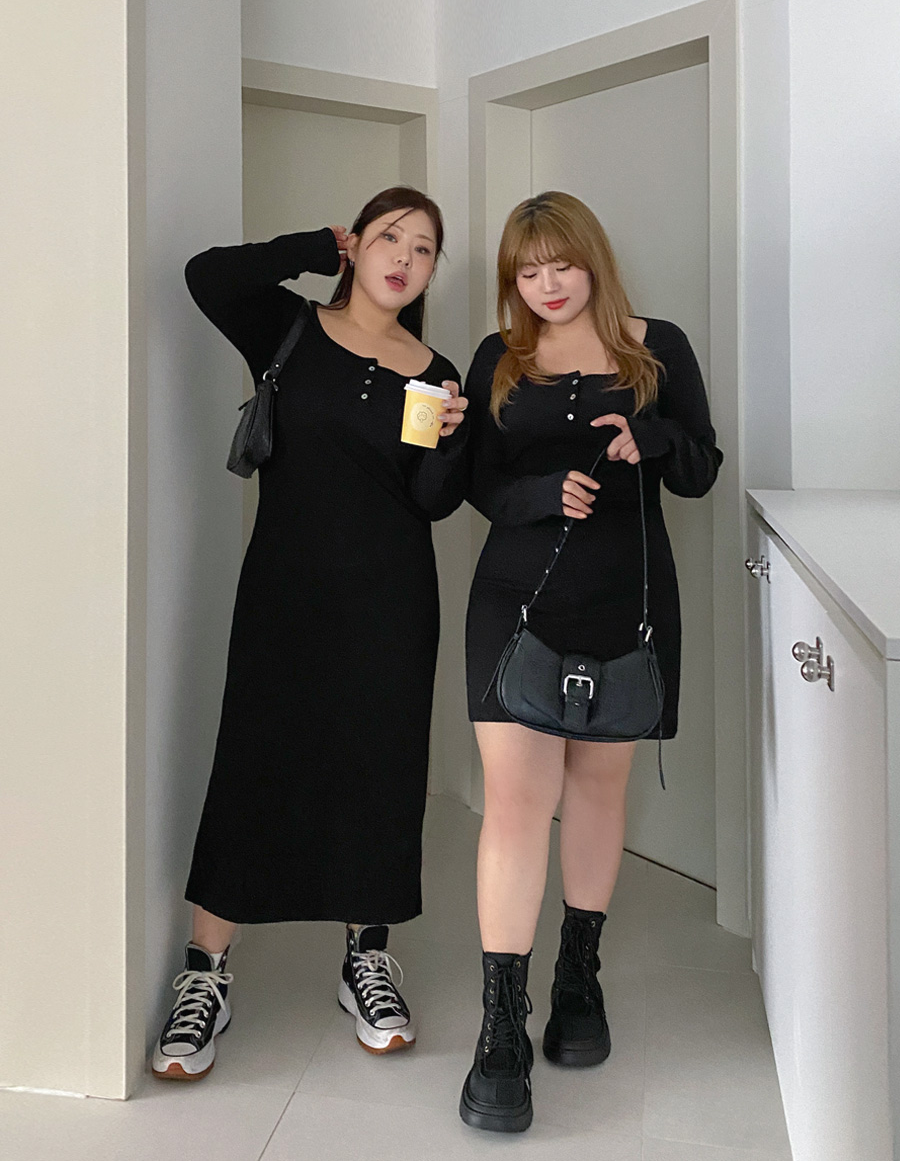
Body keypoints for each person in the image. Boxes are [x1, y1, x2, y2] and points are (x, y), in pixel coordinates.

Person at [152, 186, 469, 1081]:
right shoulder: (289, 330)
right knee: (253, 761)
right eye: (389, 237)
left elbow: (431, 502)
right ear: (357, 245)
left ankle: (366, 957)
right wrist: (307, 246)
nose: (404, 257)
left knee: (378, 768)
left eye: (424, 247)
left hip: (392, 604)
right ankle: (206, 970)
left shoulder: (434, 371)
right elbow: (206, 276)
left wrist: (452, 442)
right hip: (284, 595)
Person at [458, 191, 722, 1132]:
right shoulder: (500, 356)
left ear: (592, 259)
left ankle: (578, 978)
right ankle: (501, 1026)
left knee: (599, 791)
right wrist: (537, 493)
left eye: (561, 264)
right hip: (514, 598)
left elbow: (701, 467)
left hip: (626, 598)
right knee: (516, 801)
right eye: (528, 272)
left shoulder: (658, 347)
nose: (547, 285)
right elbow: (478, 478)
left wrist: (653, 438)